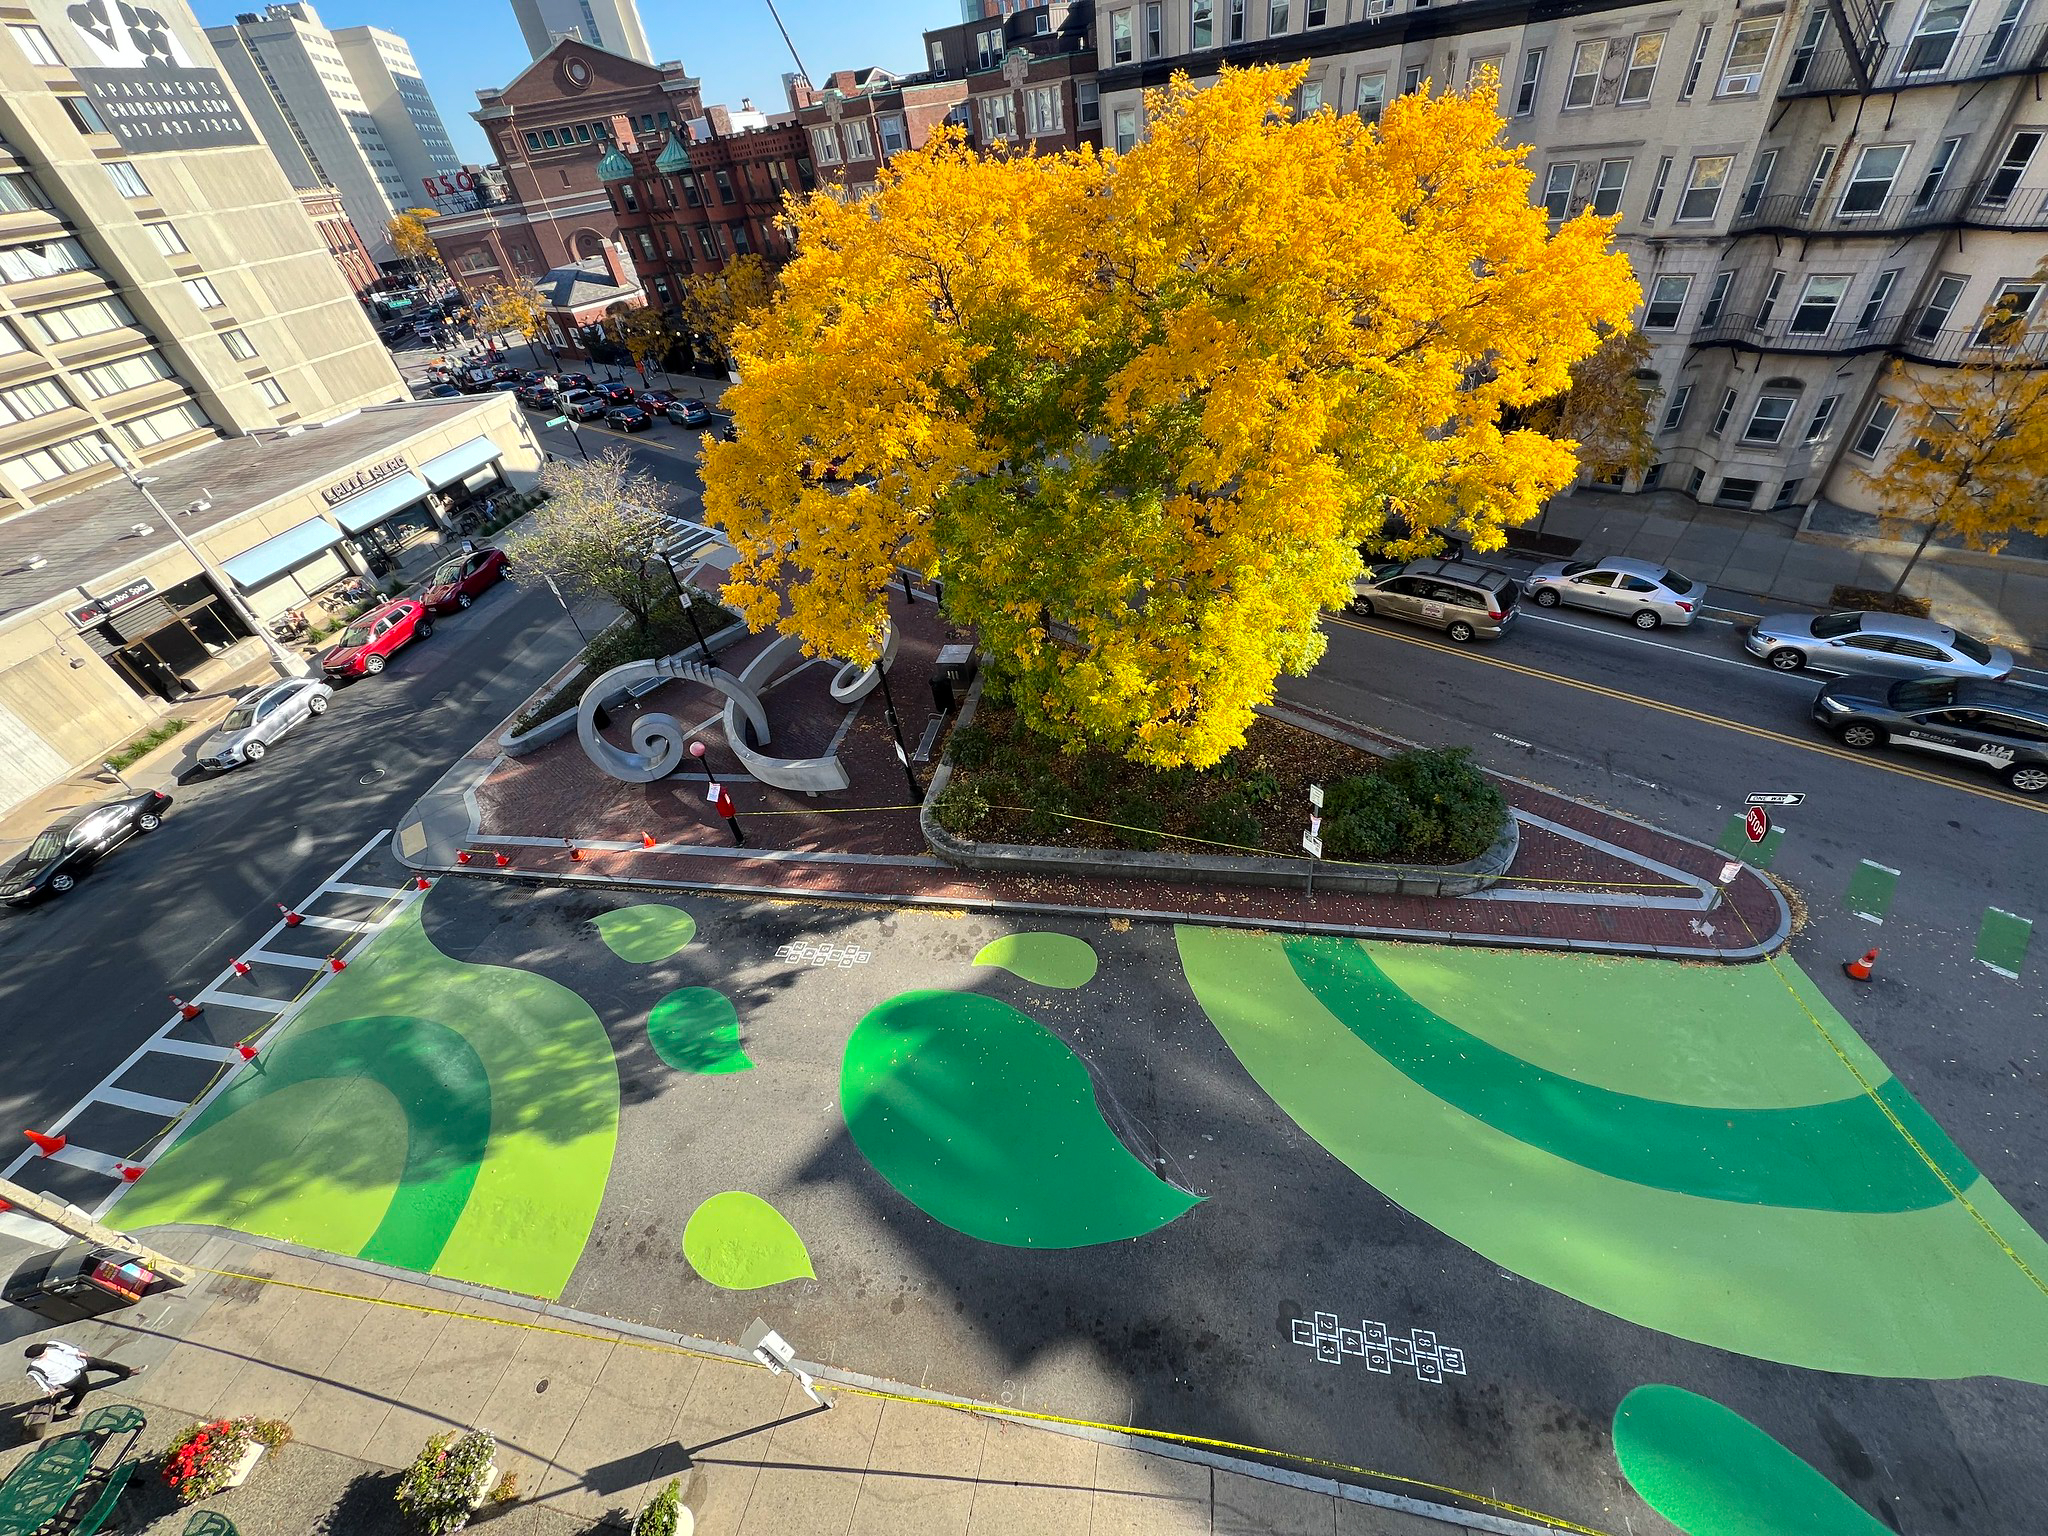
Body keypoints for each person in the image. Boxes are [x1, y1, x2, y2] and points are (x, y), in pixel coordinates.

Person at [24, 1341, 142, 1418]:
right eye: (43, 1352)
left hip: (78, 1363)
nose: (46, 1350)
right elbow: (40, 1379)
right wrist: (49, 1389)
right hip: (69, 1378)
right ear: (37, 1356)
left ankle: (127, 1372)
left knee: (104, 1364)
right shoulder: (35, 1367)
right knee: (83, 1390)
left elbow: (65, 1348)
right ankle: (72, 1407)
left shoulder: (51, 1346)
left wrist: (78, 1353)